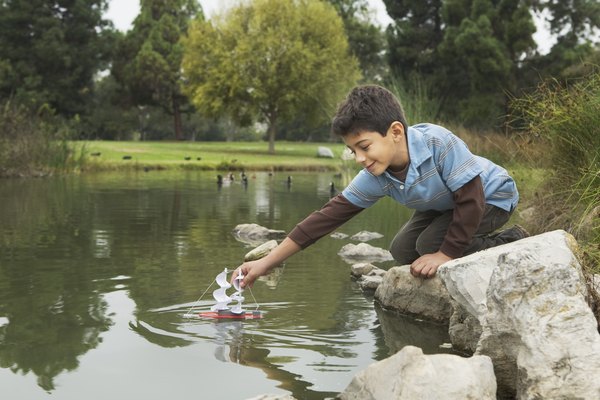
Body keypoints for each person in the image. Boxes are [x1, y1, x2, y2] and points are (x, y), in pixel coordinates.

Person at [233, 84, 528, 288]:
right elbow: (324, 219)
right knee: (401, 250)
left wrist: (446, 254)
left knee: (430, 246)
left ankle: (510, 241)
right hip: (444, 205)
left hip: (490, 198)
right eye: (353, 151)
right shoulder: (377, 173)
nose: (359, 158)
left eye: (364, 146)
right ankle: (454, 246)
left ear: (395, 132)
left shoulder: (438, 143)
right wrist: (266, 263)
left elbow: (471, 198)